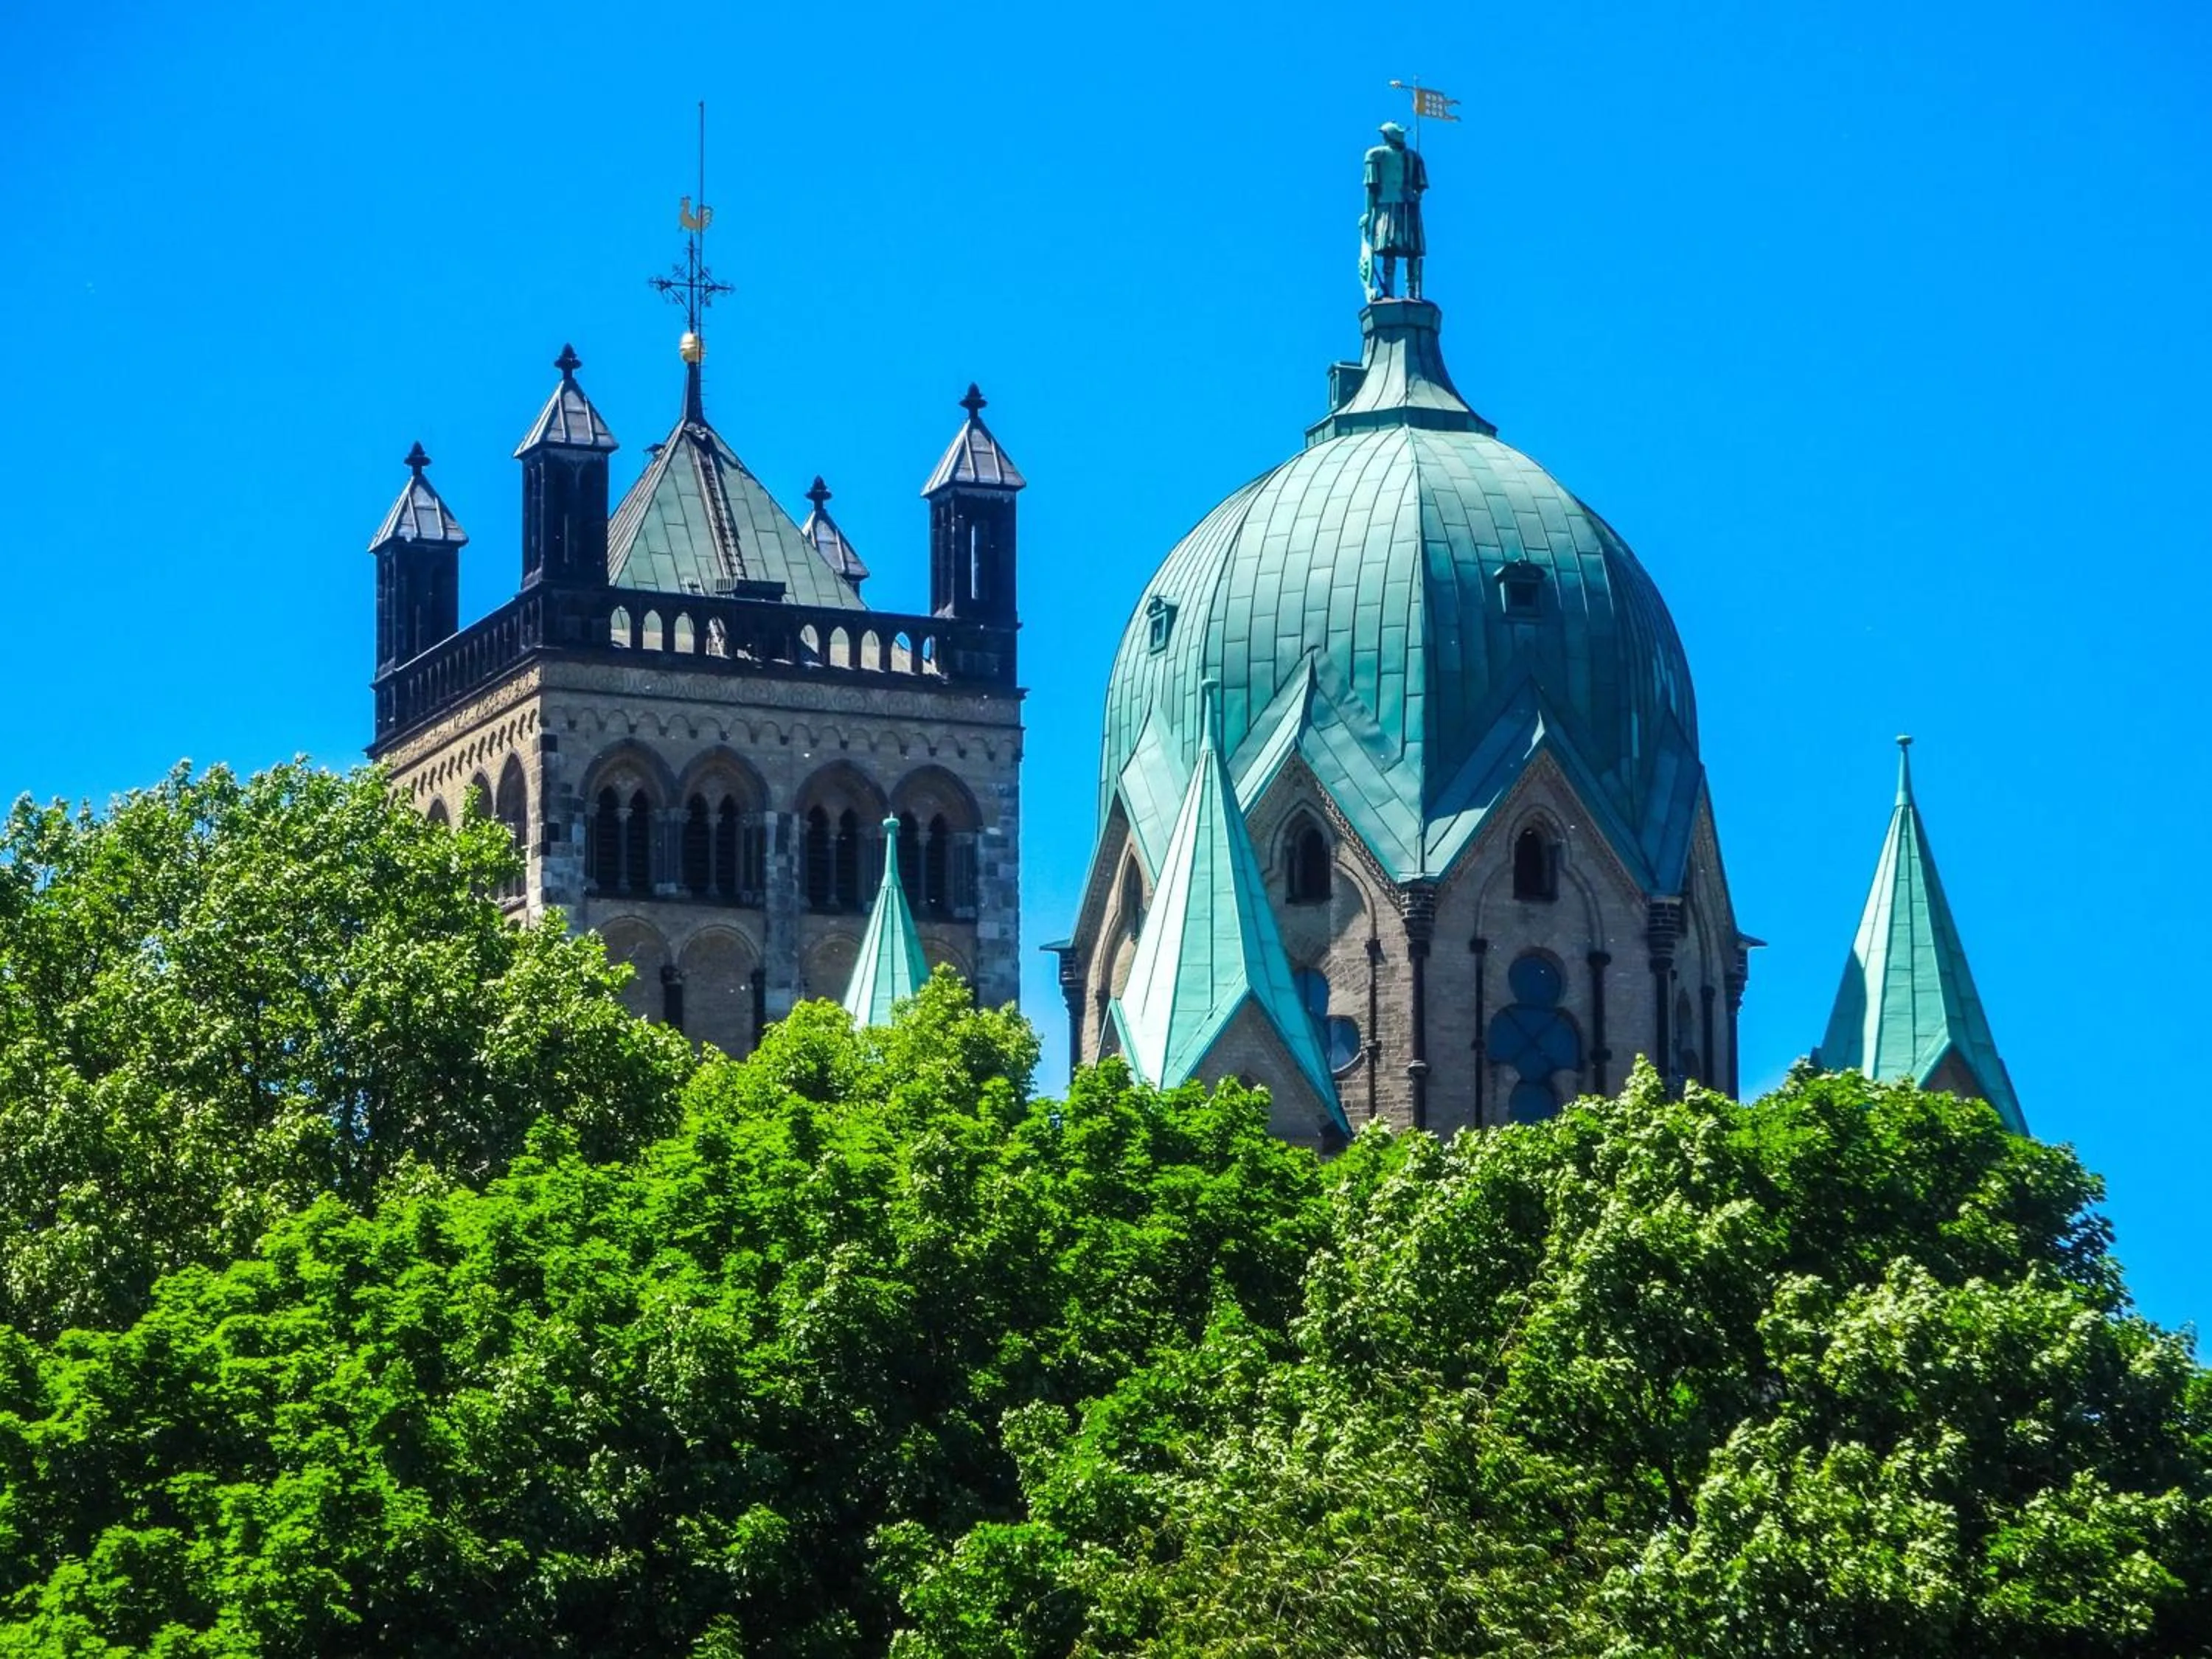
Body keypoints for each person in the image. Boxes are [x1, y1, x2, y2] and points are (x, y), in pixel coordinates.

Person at [1362, 121, 1429, 300]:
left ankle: (1399, 291)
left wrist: (1368, 213)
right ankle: (1408, 292)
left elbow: (1371, 189)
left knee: (1396, 252)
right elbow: (1420, 187)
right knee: (1403, 252)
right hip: (1403, 207)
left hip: (1392, 207)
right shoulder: (1409, 157)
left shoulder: (1378, 156)